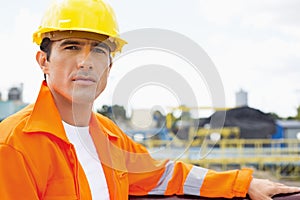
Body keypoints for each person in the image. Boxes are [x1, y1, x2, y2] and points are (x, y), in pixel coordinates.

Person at [0, 0, 299, 199]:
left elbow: (165, 174)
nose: (86, 61)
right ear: (44, 61)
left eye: (100, 50)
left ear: (110, 66)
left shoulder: (109, 136)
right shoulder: (14, 145)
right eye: (71, 47)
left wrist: (243, 184)